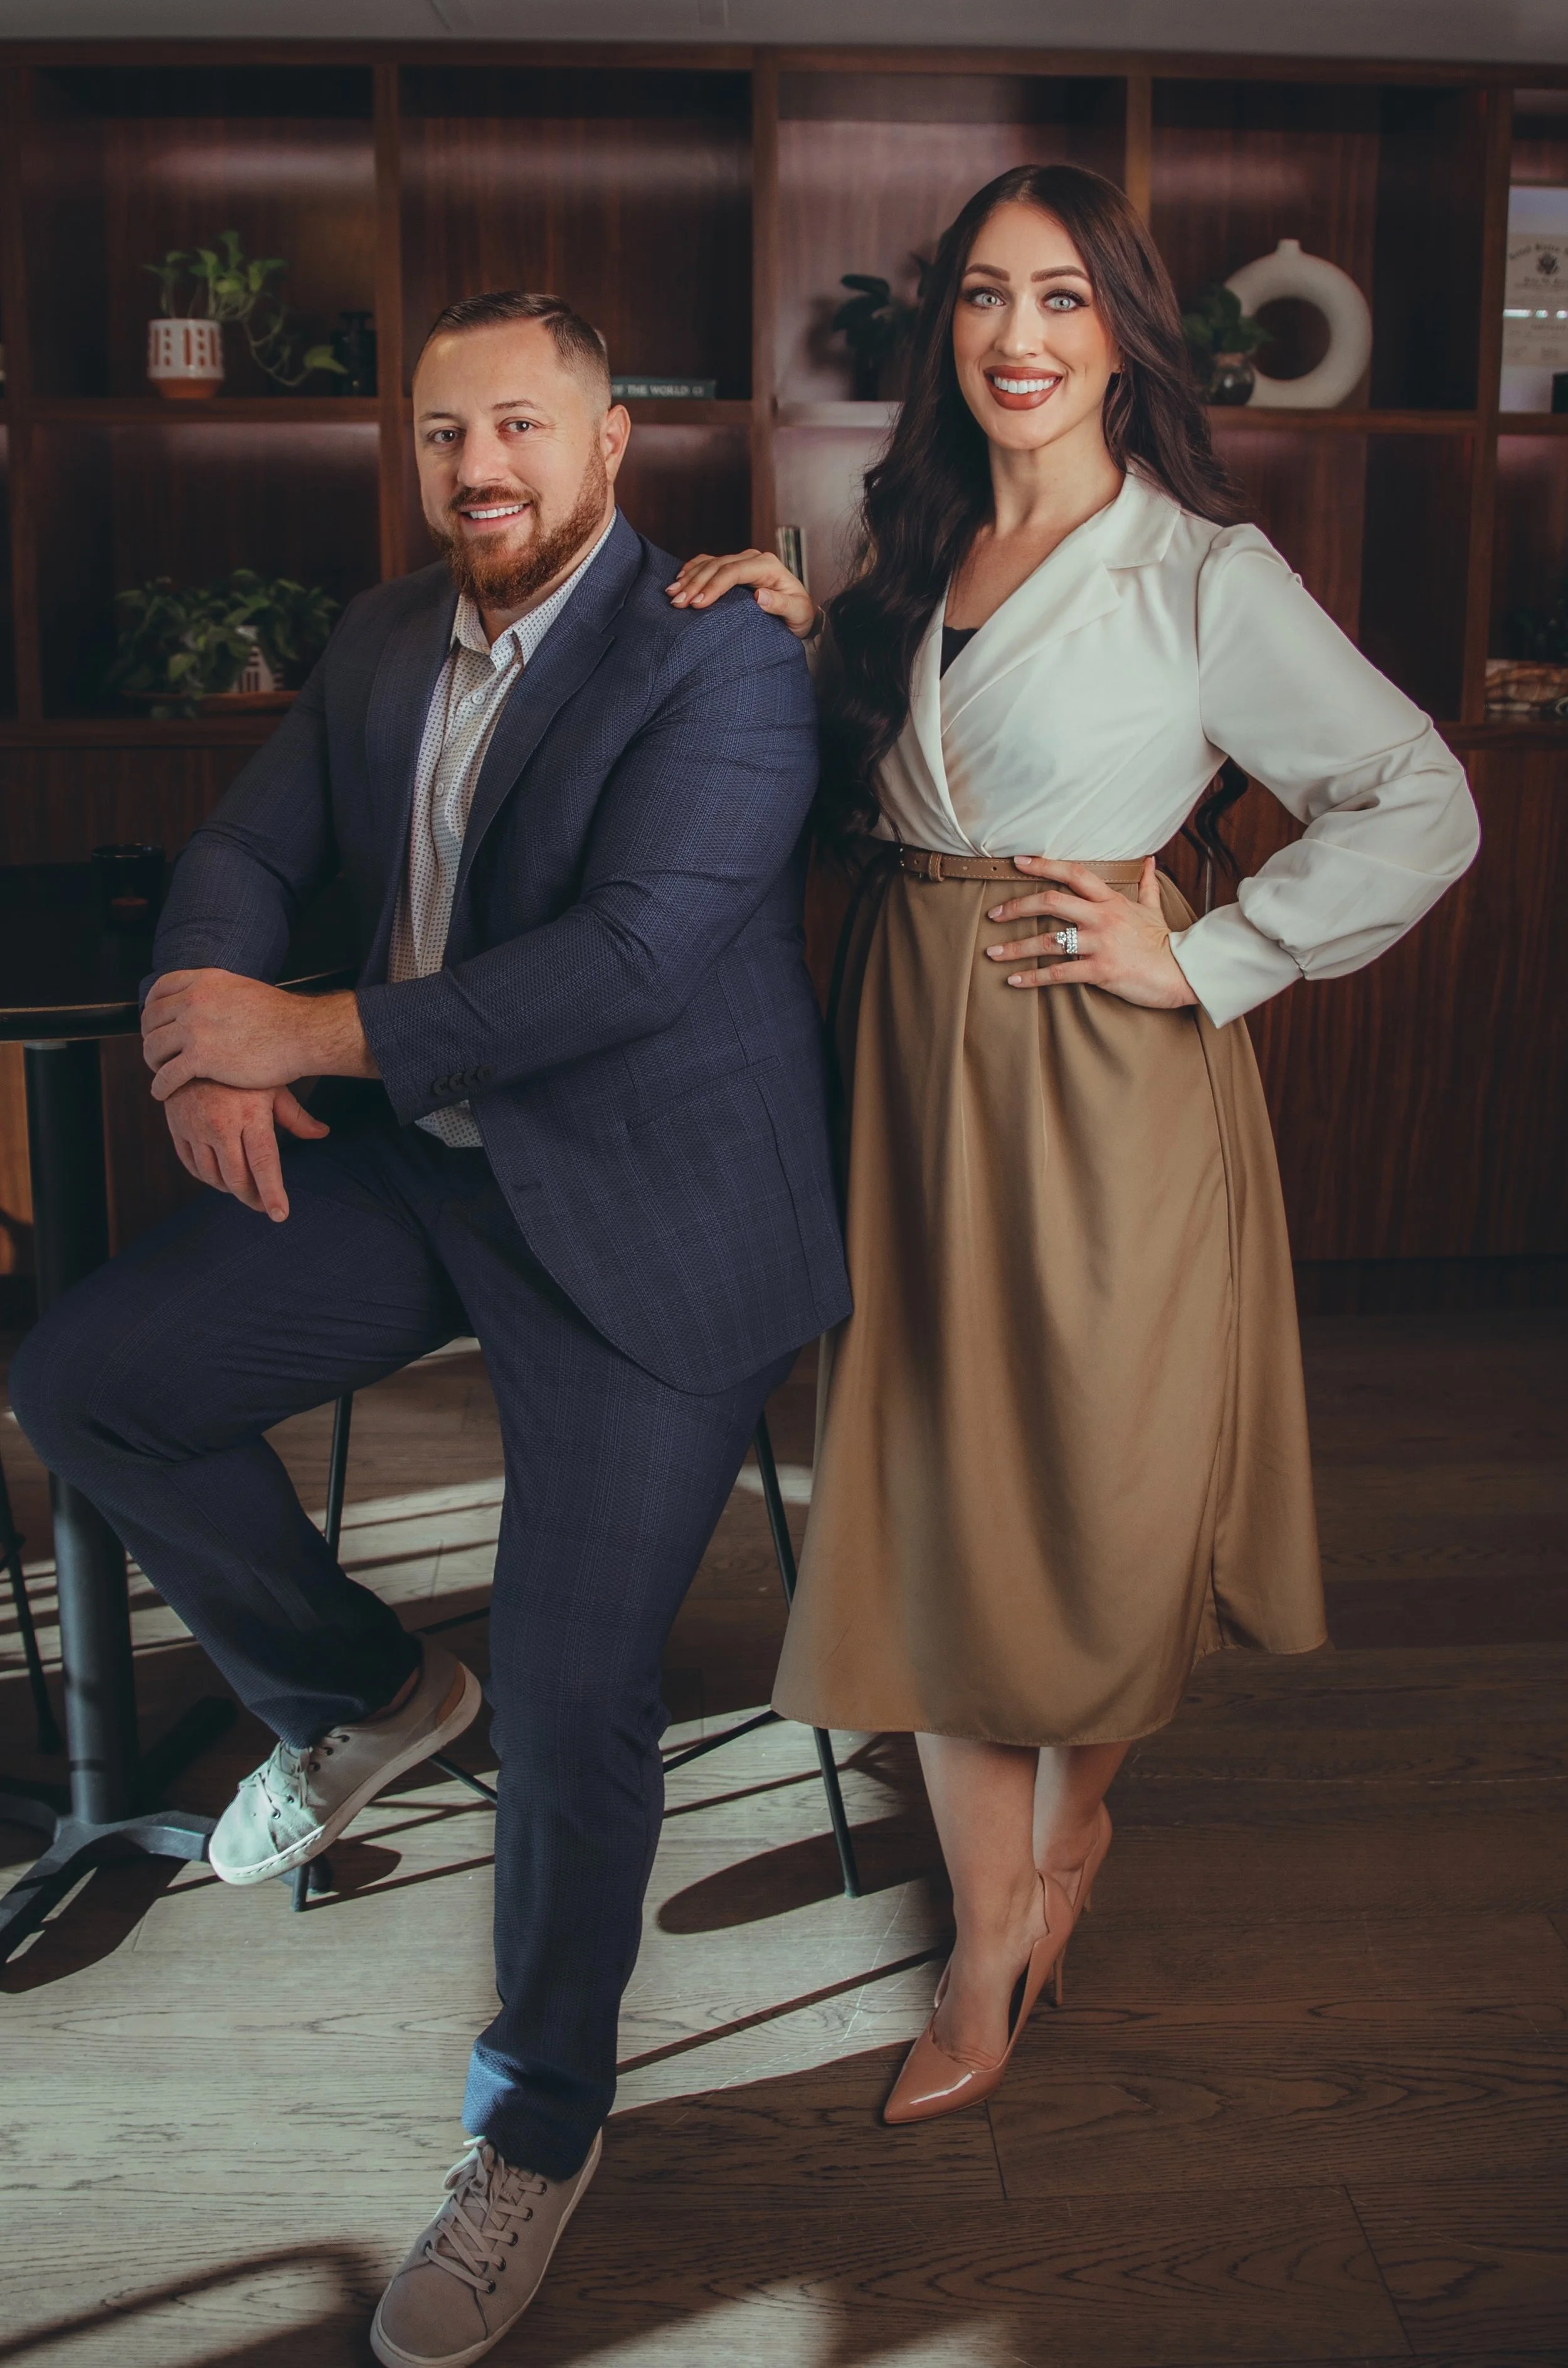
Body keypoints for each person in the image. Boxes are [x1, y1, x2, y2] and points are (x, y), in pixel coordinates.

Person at [10, 288, 849, 2365]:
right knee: (84, 1380)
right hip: (444, 1170)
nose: (479, 468)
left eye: (520, 430)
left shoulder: (722, 652)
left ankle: (535, 2126)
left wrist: (303, 1025)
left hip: (653, 1217)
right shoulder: (391, 634)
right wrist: (209, 1039)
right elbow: (247, 844)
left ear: (608, 443)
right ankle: (368, 1688)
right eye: (442, 434)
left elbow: (634, 956)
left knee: (576, 1697)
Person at [667, 163, 1480, 2125]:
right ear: (944, 332)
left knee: (1097, 1504)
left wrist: (1202, 947)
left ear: (1123, 329)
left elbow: (1416, 796)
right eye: (978, 300)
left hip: (1098, 1074)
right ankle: (984, 1917)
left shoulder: (1200, 568)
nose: (1015, 338)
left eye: (1057, 299)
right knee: (945, 1484)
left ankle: (1053, 1848)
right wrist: (788, 635)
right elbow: (888, 779)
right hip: (903, 1068)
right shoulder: (915, 537)